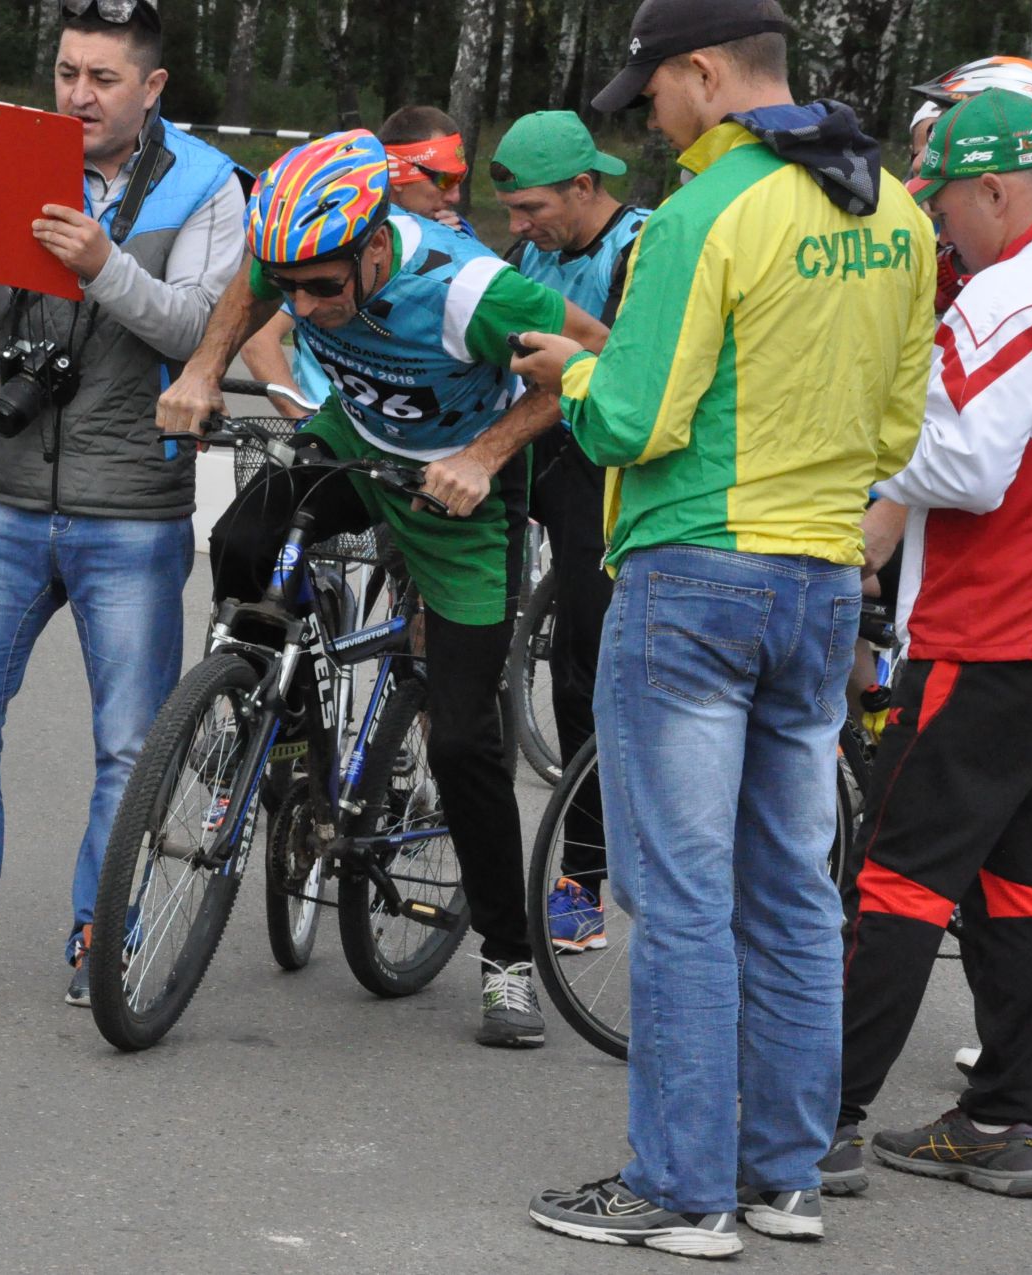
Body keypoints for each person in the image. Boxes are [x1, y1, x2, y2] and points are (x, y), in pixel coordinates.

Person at [510, 0, 936, 1255]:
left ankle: (679, 1192)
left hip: (694, 576)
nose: (647, 115)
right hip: (819, 582)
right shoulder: (895, 209)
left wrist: (570, 373)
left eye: (652, 92)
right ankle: (783, 1181)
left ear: (704, 74)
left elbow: (636, 418)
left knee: (686, 900)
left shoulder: (707, 212)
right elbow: (902, 435)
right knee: (796, 895)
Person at [159, 130, 609, 1048]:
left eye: (326, 287)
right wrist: (204, 368)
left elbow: (597, 354)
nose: (308, 309)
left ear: (376, 245)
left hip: (457, 500)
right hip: (357, 449)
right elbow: (256, 279)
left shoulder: (467, 290)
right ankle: (281, 735)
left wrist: (484, 456)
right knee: (241, 541)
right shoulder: (302, 251)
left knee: (463, 742)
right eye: (294, 288)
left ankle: (507, 957)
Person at [0, 0, 246, 1006]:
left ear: (151, 88)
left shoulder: (204, 185)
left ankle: (99, 933)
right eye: (67, 73)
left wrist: (102, 265)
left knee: (127, 745)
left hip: (132, 506)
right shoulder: (26, 155)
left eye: (102, 78)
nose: (78, 95)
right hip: (5, 494)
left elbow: (197, 328)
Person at [815, 89, 1032, 1202]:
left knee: (898, 880)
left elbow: (965, 465)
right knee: (1023, 885)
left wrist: (862, 444)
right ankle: (1002, 1118)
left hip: (993, 624)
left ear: (994, 190)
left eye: (946, 200)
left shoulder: (1017, 289)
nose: (941, 224)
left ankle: (815, 1118)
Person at [489, 111, 650, 954]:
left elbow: (637, 368)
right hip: (539, 447)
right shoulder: (533, 253)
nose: (518, 229)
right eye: (511, 213)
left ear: (586, 187)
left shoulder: (640, 247)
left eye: (531, 210)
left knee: (587, 671)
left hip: (605, 466)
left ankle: (581, 881)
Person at [240, 106, 471, 418]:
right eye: (444, 180)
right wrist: (305, 424)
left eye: (461, 179)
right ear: (398, 174)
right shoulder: (327, 237)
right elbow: (260, 339)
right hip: (332, 434)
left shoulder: (459, 243)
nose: (455, 196)